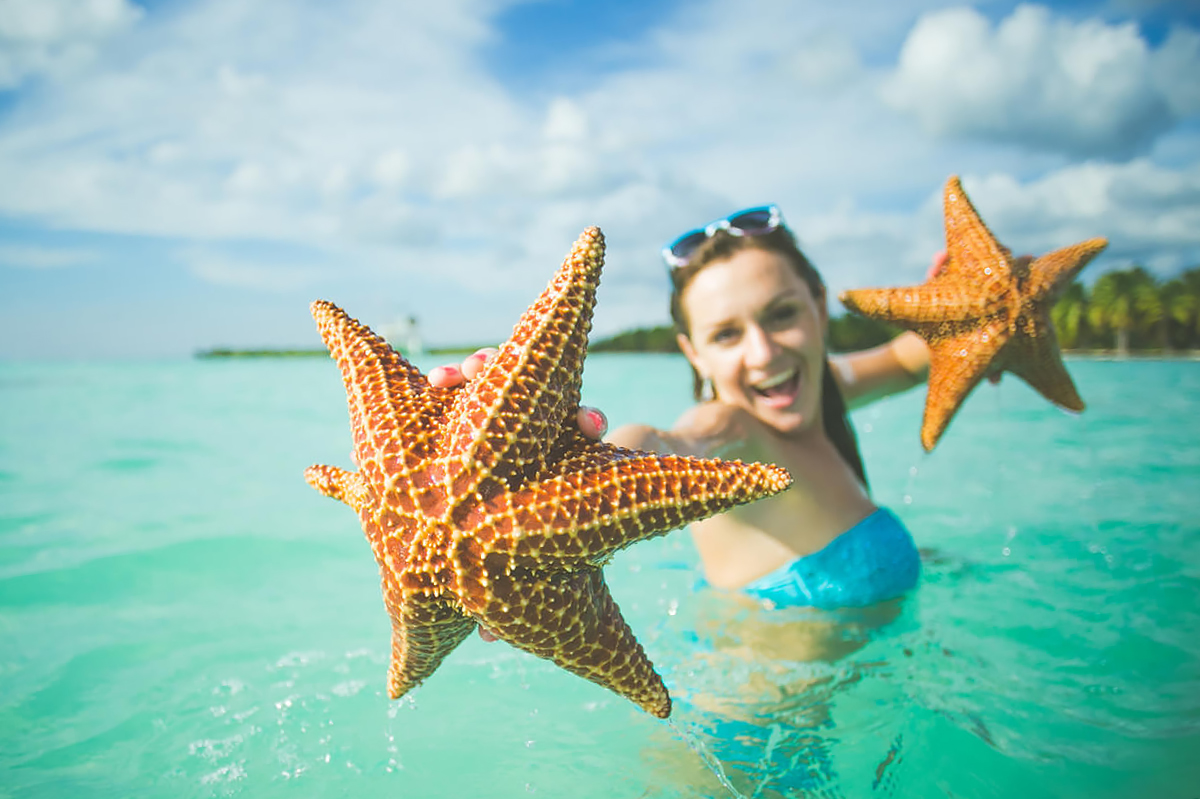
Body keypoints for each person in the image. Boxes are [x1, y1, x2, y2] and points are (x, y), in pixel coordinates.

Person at [432, 205, 935, 612]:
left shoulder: (827, 388)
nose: (763, 353)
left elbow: (915, 358)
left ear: (820, 308)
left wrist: (963, 293)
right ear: (694, 353)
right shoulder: (730, 431)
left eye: (782, 315)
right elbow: (660, 444)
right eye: (726, 334)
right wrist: (553, 456)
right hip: (759, 708)